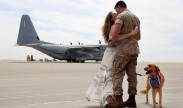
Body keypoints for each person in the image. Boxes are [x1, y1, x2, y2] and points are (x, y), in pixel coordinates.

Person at [85, 11, 138, 106]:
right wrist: (131, 33)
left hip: (116, 52)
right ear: (111, 19)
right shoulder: (114, 27)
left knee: (111, 76)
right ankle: (112, 100)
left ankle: (112, 100)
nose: (116, 14)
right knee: (110, 76)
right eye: (113, 14)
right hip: (112, 53)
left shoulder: (119, 25)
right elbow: (114, 39)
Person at [107, 1, 141, 108]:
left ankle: (118, 100)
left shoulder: (121, 16)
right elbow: (138, 37)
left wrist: (111, 43)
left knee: (117, 73)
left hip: (123, 50)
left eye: (116, 10)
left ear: (119, 7)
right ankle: (132, 100)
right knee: (132, 76)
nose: (116, 12)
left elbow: (115, 34)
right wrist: (131, 34)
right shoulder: (136, 18)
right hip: (134, 50)